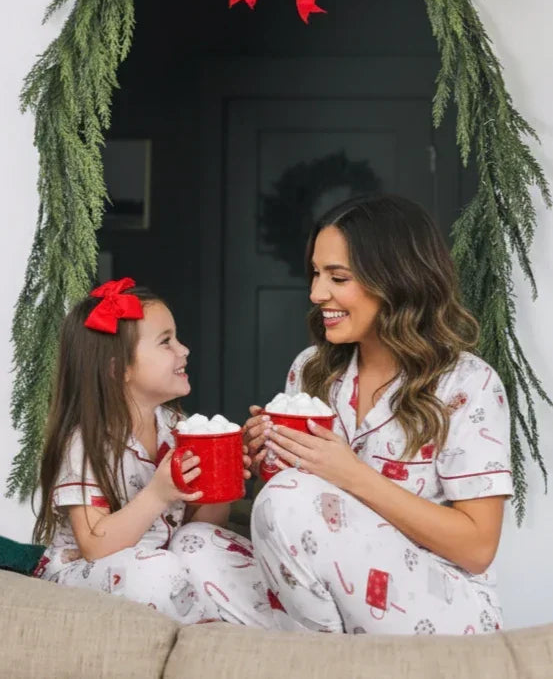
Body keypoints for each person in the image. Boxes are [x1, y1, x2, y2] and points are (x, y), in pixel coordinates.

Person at [244, 195, 513, 635]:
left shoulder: (468, 384)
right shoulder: (311, 369)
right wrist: (264, 460)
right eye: (316, 273)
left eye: (338, 277)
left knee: (289, 494)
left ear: (395, 280)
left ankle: (316, 656)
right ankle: (326, 651)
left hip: (443, 604)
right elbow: (292, 523)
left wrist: (350, 474)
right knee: (198, 547)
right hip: (331, 598)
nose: (316, 294)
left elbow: (478, 547)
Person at [32, 277, 274, 628]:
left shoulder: (176, 427)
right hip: (90, 571)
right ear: (119, 369)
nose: (184, 349)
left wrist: (224, 481)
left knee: (200, 541)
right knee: (159, 568)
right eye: (166, 342)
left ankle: (278, 634)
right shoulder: (85, 443)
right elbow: (94, 546)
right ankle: (210, 634)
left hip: (166, 563)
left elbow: (199, 528)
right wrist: (158, 494)